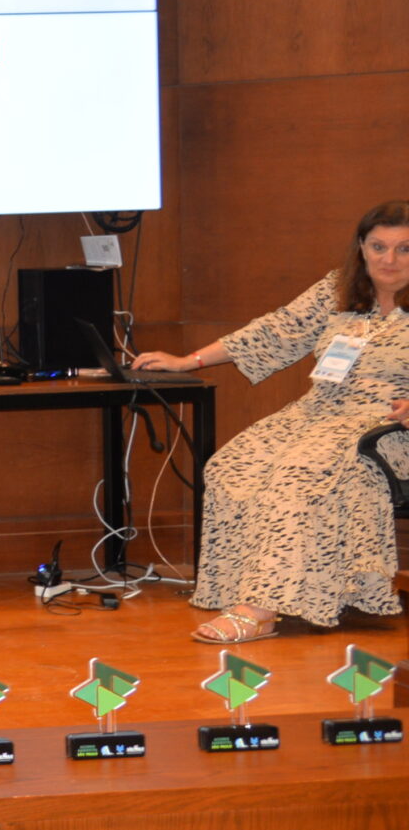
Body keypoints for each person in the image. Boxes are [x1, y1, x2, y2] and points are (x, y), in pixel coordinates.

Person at [134, 200, 409, 643]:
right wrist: (188, 360)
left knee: (298, 475)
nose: (389, 259)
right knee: (231, 467)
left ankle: (259, 611)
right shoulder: (338, 289)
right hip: (317, 414)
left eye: (404, 249)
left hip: (388, 428)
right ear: (361, 247)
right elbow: (276, 331)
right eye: (379, 247)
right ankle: (243, 592)